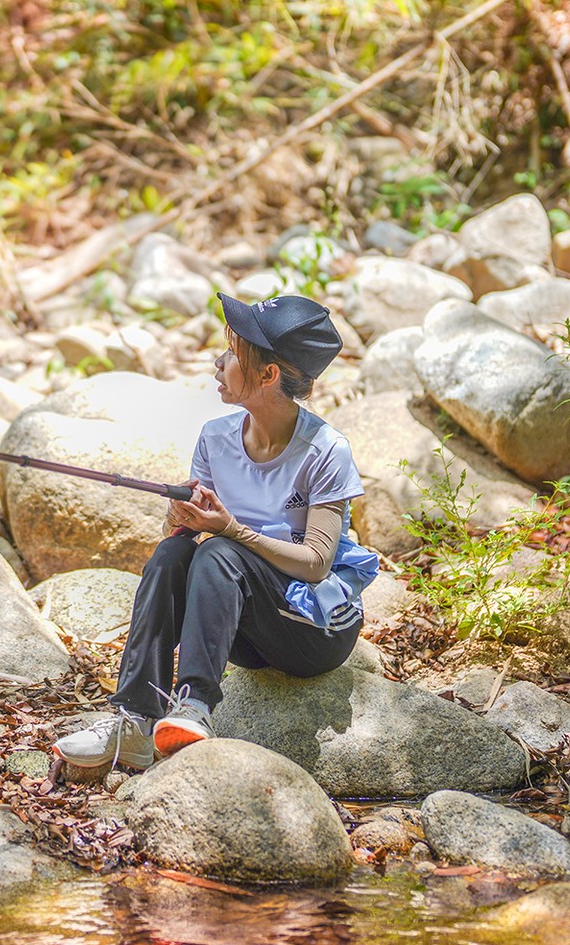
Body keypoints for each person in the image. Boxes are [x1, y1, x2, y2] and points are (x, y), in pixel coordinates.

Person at [56, 293, 376, 770]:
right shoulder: (215, 437)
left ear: (267, 375)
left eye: (231, 354)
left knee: (221, 551)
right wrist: (178, 518)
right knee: (173, 555)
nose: (217, 362)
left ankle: (194, 706)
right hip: (244, 629)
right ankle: (136, 719)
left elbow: (316, 564)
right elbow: (182, 544)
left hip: (313, 632)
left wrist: (230, 529)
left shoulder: (325, 451)